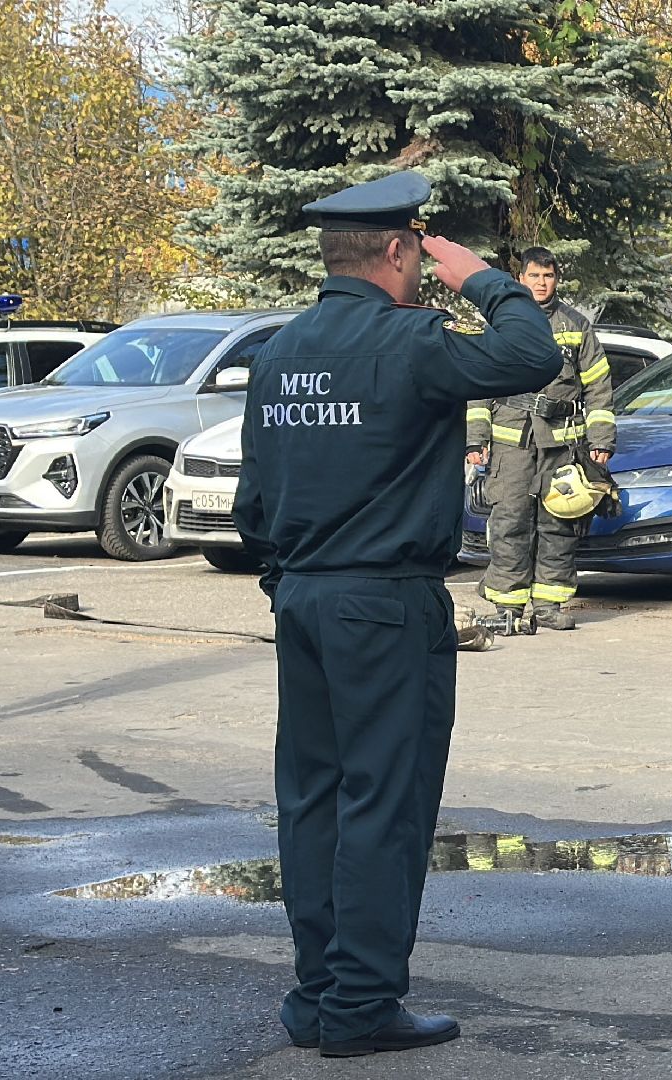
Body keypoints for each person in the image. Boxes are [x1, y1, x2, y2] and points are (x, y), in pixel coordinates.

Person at [231, 170, 560, 1058]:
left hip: (301, 597)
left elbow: (253, 504)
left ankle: (317, 993)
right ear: (397, 250)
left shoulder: (279, 352)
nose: (423, 269)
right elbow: (534, 356)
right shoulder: (412, 340)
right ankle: (363, 1004)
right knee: (385, 801)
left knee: (313, 801)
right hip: (384, 603)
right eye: (420, 254)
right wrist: (481, 277)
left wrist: (289, 581)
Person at [465, 247, 616, 631]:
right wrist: (475, 440)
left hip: (562, 443)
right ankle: (507, 606)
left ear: (556, 280)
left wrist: (601, 439)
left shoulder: (576, 325)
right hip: (510, 442)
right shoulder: (501, 323)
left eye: (548, 277)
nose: (542, 283)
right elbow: (479, 386)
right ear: (522, 279)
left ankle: (549, 605)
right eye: (535, 276)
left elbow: (598, 387)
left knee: (558, 523)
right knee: (509, 520)